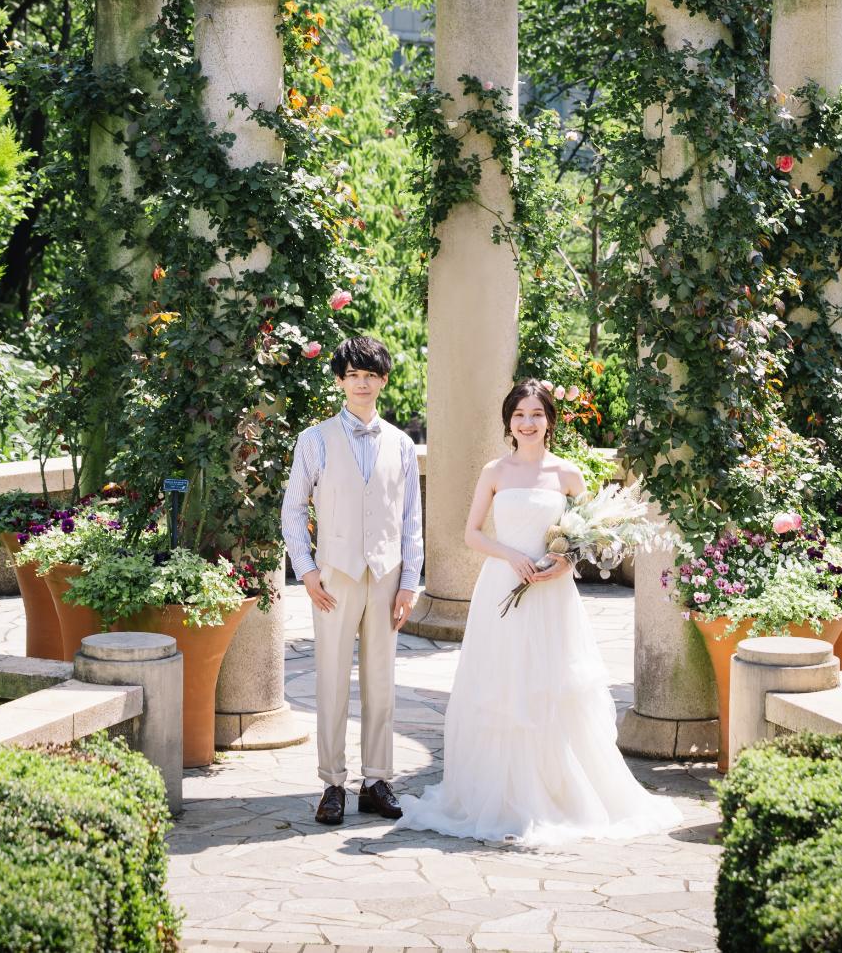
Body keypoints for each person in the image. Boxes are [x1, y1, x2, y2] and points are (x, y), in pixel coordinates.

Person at [400, 379, 682, 845]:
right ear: (508, 422)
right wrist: (510, 555)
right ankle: (501, 795)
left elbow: (589, 535)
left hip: (551, 595)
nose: (527, 423)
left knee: (551, 683)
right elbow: (471, 533)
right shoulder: (495, 470)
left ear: (550, 420)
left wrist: (565, 561)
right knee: (502, 683)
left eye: (536, 414)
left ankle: (555, 792)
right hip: (502, 589)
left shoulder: (568, 474)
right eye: (519, 415)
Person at [280, 335, 423, 826]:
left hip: (386, 577)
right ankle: (333, 783)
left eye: (370, 375)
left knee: (382, 680)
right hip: (334, 577)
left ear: (383, 380)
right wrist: (307, 569)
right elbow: (294, 509)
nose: (361, 384)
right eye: (353, 375)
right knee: (332, 680)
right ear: (340, 380)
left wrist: (410, 582)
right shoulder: (314, 440)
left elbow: (411, 520)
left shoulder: (402, 445)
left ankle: (377, 780)